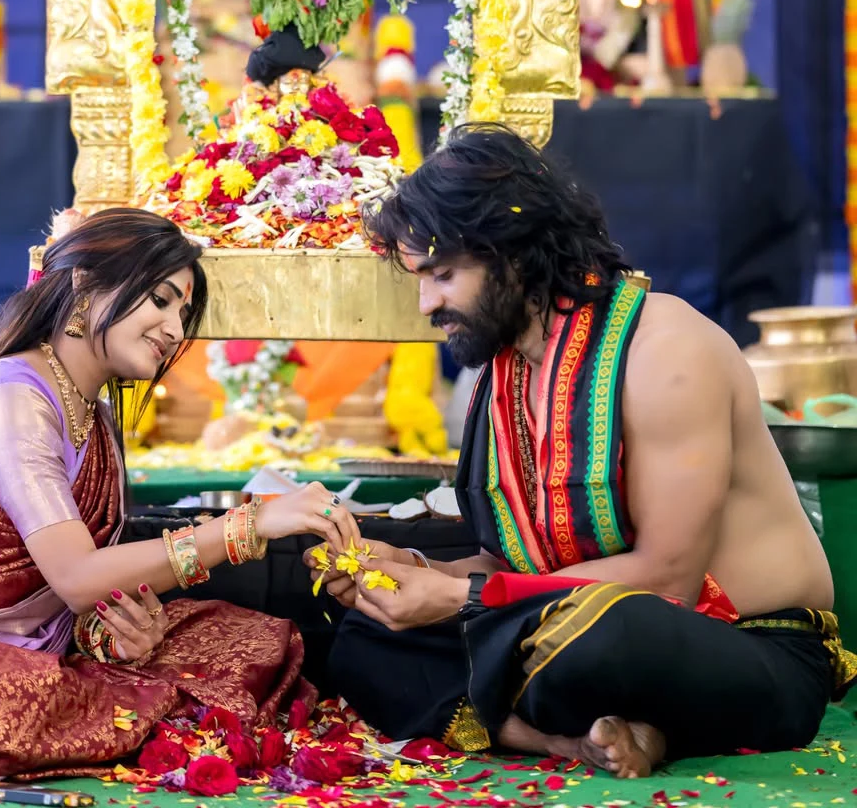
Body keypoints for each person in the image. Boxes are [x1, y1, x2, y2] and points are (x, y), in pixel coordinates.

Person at [314, 125, 857, 778]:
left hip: (741, 645)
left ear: (511, 254)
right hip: (567, 621)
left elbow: (666, 582)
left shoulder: (665, 351)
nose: (428, 303)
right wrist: (415, 570)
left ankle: (567, 719)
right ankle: (571, 740)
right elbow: (515, 563)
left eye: (444, 275)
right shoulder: (504, 368)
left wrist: (461, 600)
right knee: (364, 632)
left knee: (597, 638)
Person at [0, 207, 357, 787]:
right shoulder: (11, 399)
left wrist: (113, 632)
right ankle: (119, 715)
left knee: (250, 638)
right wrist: (247, 526)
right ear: (84, 285)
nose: (176, 330)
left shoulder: (94, 414)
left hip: (28, 643)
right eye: (159, 300)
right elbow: (78, 577)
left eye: (182, 311)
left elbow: (69, 595)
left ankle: (115, 711)